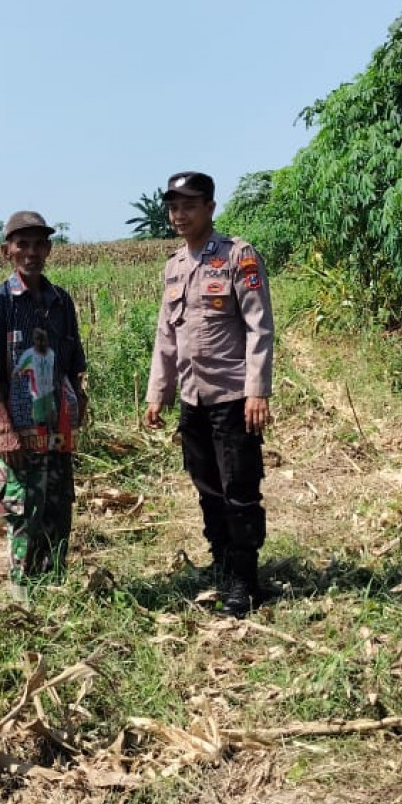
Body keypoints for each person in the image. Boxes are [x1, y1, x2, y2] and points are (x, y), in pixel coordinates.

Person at [144, 171, 274, 618]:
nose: (178, 215)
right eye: (173, 206)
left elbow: (260, 327)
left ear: (210, 208)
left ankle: (245, 581)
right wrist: (157, 392)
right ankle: (221, 562)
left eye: (188, 206)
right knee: (206, 486)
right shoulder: (174, 266)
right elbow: (166, 334)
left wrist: (258, 391)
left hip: (234, 396)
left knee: (239, 488)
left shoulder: (238, 256)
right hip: (193, 397)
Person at [0, 211, 87, 586]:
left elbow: (73, 363)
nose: (31, 251)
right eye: (22, 244)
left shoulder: (61, 302)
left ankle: (54, 586)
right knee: (22, 509)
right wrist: (5, 429)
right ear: (6, 250)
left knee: (57, 507)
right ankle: (22, 592)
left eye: (39, 244)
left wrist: (79, 402)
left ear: (50, 249)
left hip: (56, 424)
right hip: (17, 428)